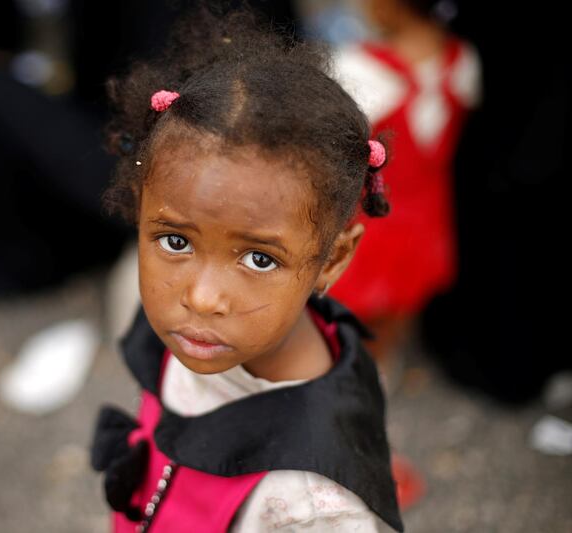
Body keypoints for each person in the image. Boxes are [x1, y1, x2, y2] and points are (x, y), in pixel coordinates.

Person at [90, 5, 403, 532]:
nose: (203, 296)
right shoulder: (188, 330)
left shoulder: (310, 507)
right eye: (174, 240)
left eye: (260, 258)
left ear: (333, 259)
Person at [325, 0, 483, 390]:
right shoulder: (462, 61)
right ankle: (381, 364)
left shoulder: (359, 68)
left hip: (373, 217)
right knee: (403, 302)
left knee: (348, 303)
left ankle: (344, 369)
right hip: (431, 214)